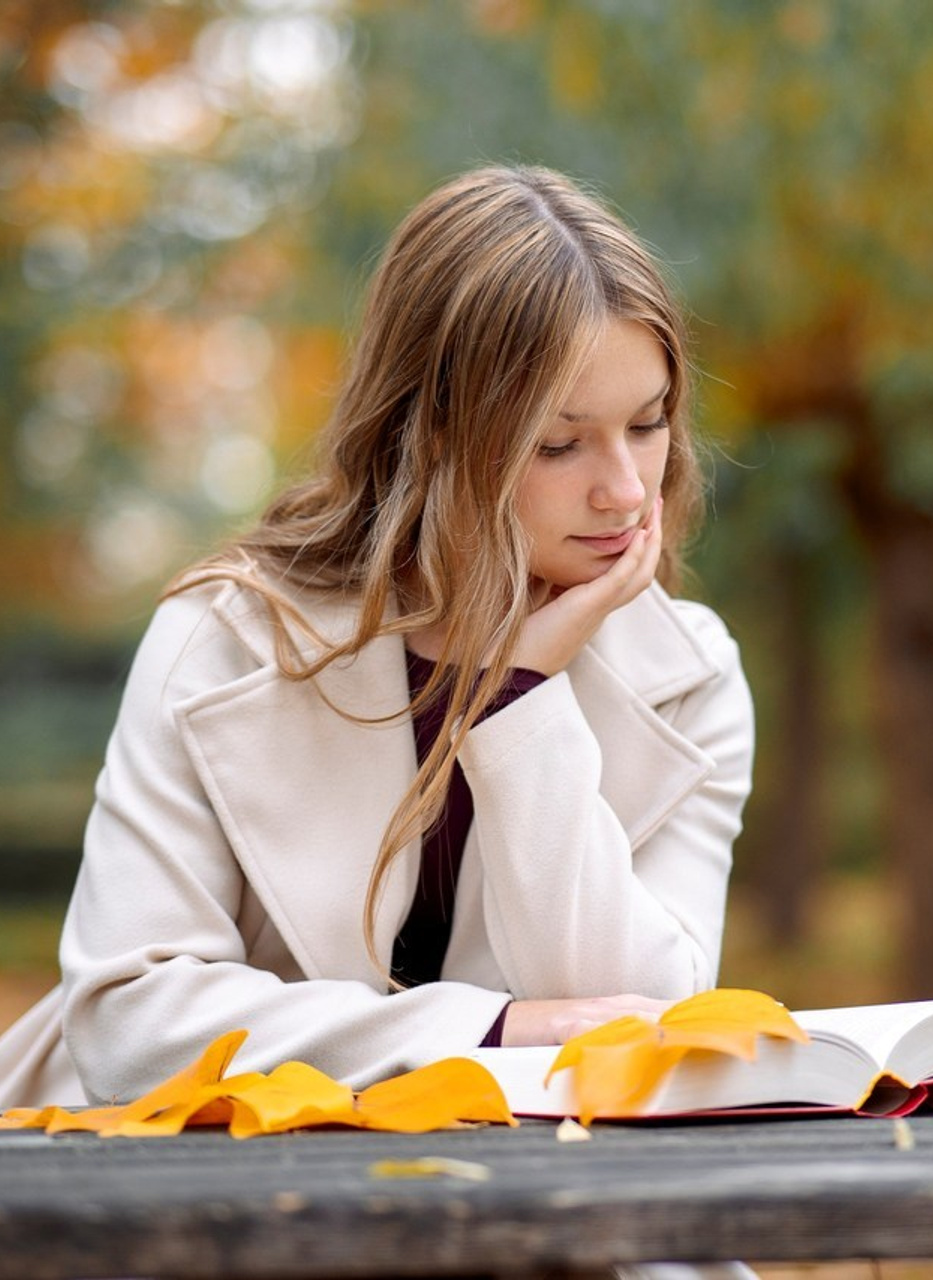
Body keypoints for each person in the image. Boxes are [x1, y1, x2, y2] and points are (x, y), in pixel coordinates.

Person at [0, 164, 754, 1108]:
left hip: (543, 1204)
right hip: (201, 1191)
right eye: (558, 444)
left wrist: (520, 697)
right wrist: (486, 1034)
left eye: (647, 426)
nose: (627, 490)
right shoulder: (221, 640)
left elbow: (650, 1025)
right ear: (428, 431)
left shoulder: (690, 677)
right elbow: (132, 1022)